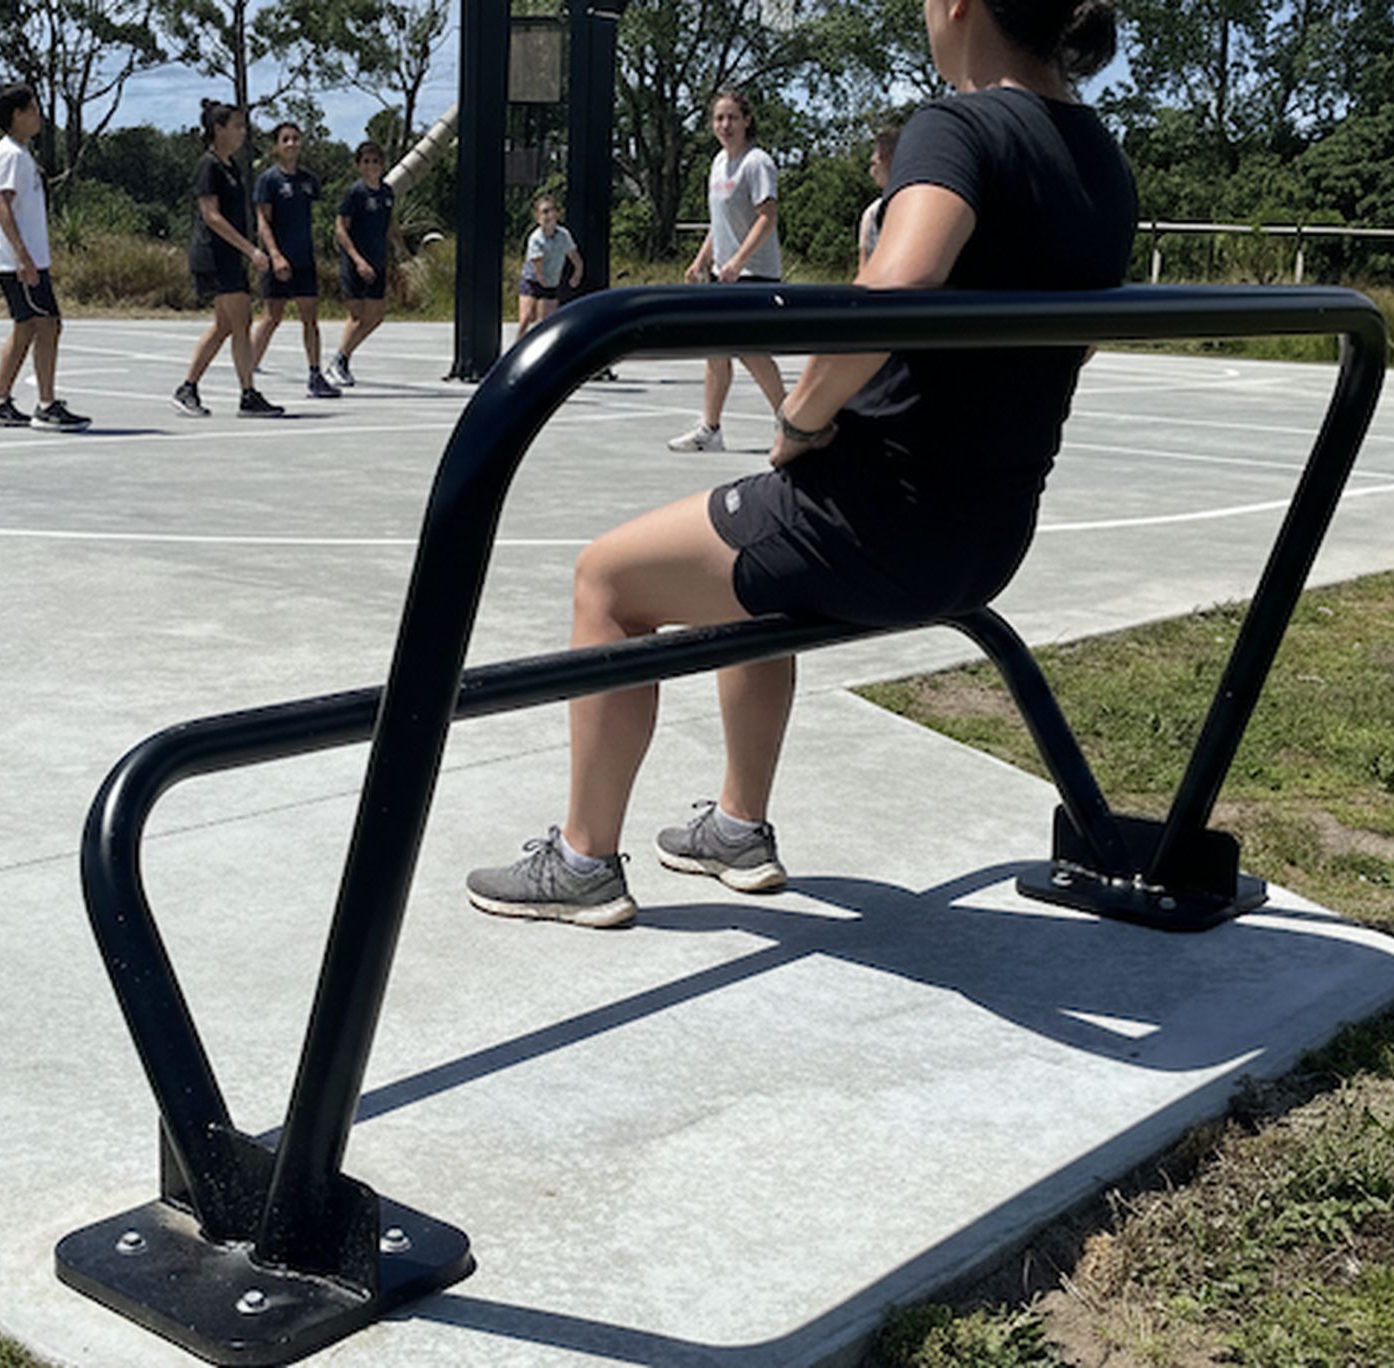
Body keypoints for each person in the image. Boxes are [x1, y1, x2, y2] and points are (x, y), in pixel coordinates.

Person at [466, 0, 1135, 928]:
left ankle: (582, 860)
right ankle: (736, 828)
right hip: (988, 538)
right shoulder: (1097, 153)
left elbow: (895, 285)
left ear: (960, 7)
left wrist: (799, 414)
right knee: (754, 568)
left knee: (607, 582)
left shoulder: (958, 125)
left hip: (872, 519)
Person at [664, 89, 790, 453]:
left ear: (747, 120)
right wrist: (704, 259)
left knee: (751, 351)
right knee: (716, 349)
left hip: (755, 274)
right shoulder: (718, 163)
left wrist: (738, 260)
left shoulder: (757, 162)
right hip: (725, 274)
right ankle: (711, 429)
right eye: (719, 118)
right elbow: (719, 223)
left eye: (732, 117)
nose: (725, 125)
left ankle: (794, 423)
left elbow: (767, 216)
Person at [0, 83, 89, 431]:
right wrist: (24, 258)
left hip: (20, 258)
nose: (39, 116)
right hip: (19, 261)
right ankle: (46, 405)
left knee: (27, 326)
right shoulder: (11, 154)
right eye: (33, 110)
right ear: (17, 115)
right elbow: (2, 205)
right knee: (49, 324)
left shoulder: (16, 153)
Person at [173, 100, 284, 419]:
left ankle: (188, 387)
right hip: (214, 255)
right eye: (236, 126)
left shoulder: (231, 166)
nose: (242, 132)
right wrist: (251, 250)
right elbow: (211, 216)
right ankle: (248, 394)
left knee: (224, 325)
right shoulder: (208, 165)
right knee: (241, 322)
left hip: (230, 257)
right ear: (218, 129)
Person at [249, 121, 339, 399]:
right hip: (278, 259)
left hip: (304, 260)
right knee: (271, 317)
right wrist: (275, 255)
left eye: (296, 139)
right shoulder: (269, 180)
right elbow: (262, 221)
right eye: (285, 139)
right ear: (277, 146)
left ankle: (315, 374)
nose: (292, 144)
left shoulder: (309, 180)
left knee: (310, 319)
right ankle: (247, 370)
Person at [326, 142, 405, 388]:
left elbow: (390, 224)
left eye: (375, 161)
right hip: (356, 264)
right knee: (358, 315)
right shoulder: (356, 193)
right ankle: (339, 363)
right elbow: (340, 228)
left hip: (378, 261)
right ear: (359, 165)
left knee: (377, 316)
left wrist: (401, 251)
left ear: (382, 165)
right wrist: (357, 260)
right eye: (366, 162)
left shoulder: (387, 193)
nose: (371, 166)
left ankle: (342, 357)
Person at [516, 194, 585, 340]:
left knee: (546, 322)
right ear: (538, 217)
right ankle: (517, 346)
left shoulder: (563, 235)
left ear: (557, 214)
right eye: (544, 212)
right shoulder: (536, 238)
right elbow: (537, 263)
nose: (548, 216)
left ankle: (541, 352)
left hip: (551, 282)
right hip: (532, 280)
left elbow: (573, 255)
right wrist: (541, 278)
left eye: (550, 211)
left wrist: (578, 272)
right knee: (526, 318)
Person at [857, 124, 902, 274]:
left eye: (874, 164)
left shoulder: (873, 213)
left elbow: (864, 267)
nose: (871, 172)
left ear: (888, 160)